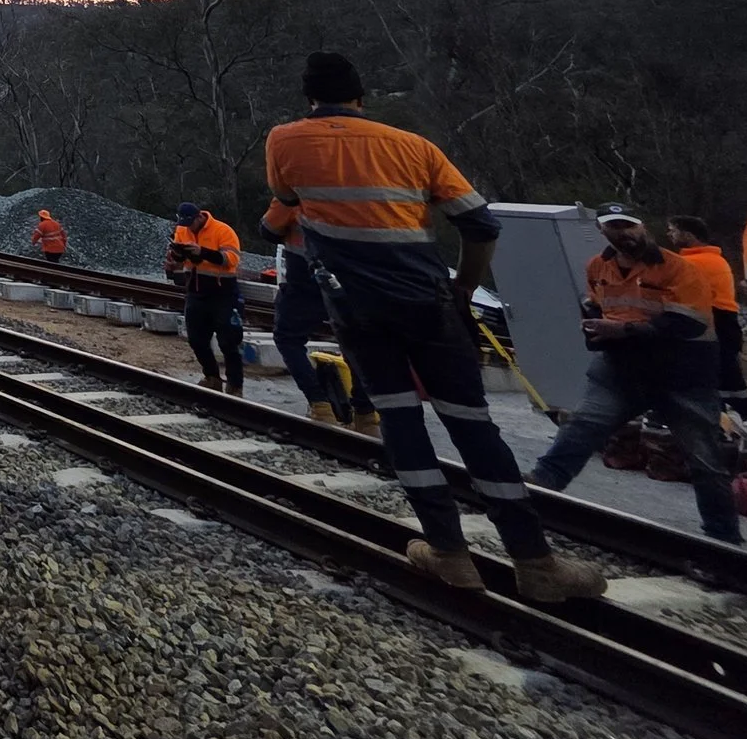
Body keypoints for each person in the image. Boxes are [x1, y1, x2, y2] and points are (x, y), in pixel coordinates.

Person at [264, 51, 604, 601]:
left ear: (309, 97)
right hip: (427, 300)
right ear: (361, 95)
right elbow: (479, 222)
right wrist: (465, 286)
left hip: (357, 308)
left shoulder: (284, 140)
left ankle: (448, 552)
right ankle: (535, 562)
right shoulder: (413, 146)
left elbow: (282, 209)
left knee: (400, 420)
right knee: (472, 422)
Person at [527, 207, 745, 544]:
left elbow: (688, 323)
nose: (625, 233)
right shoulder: (599, 267)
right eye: (615, 227)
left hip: (684, 374)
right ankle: (535, 495)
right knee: (581, 428)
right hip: (622, 370)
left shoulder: (679, 268)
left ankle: (723, 538)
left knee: (705, 459)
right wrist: (596, 326)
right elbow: (596, 303)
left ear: (643, 227)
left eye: (629, 226)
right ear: (603, 232)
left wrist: (623, 331)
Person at [262, 197, 377, 432]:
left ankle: (321, 405)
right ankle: (365, 413)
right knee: (356, 341)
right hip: (351, 276)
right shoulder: (354, 186)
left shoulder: (296, 189)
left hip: (306, 277)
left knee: (287, 337)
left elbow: (269, 229)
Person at [668, 214, 747, 413]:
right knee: (725, 380)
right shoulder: (713, 259)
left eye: (673, 230)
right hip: (722, 323)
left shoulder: (692, 263)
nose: (669, 234)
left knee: (723, 381)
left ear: (687, 235)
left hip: (712, 323)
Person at [169, 202, 246, 394]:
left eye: (190, 223)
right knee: (196, 339)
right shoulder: (182, 230)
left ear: (199, 217)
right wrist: (177, 254)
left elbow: (231, 259)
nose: (188, 227)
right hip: (195, 291)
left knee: (228, 341)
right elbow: (180, 260)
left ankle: (235, 384)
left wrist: (202, 252)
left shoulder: (222, 230)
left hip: (223, 294)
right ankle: (211, 377)